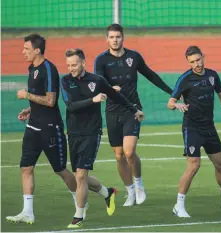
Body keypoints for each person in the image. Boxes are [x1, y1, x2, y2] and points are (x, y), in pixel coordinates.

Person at [61, 48, 145, 228]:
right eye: (68, 65)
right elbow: (71, 106)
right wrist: (94, 99)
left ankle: (79, 215)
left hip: (92, 132)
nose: (71, 68)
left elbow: (117, 96)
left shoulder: (97, 80)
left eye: (74, 65)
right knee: (78, 177)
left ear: (83, 63)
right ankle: (107, 192)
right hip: (74, 132)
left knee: (82, 175)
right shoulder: (66, 81)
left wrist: (134, 110)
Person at [94, 24, 173, 206]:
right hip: (112, 111)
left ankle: (139, 185)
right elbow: (99, 80)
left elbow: (151, 75)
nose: (115, 40)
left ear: (123, 38)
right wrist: (108, 88)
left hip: (133, 109)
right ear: (107, 39)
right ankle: (130, 192)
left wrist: (172, 92)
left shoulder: (134, 57)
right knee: (119, 155)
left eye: (118, 37)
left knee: (129, 152)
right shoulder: (101, 60)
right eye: (112, 37)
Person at [167, 46, 221, 218]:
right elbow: (170, 102)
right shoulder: (185, 79)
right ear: (188, 62)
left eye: (198, 60)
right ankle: (178, 205)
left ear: (203, 57)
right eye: (192, 62)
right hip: (192, 127)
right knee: (194, 165)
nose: (196, 64)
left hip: (209, 127)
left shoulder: (212, 75)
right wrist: (177, 105)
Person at [6, 34, 77, 224]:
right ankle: (28, 212)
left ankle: (80, 202)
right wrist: (30, 109)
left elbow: (51, 100)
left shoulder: (49, 69)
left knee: (61, 170)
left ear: (37, 50)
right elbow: (40, 99)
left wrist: (27, 95)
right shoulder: (32, 68)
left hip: (49, 128)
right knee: (25, 167)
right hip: (33, 126)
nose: (23, 52)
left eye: (26, 49)